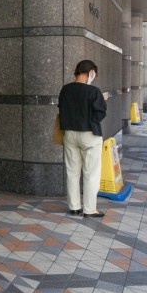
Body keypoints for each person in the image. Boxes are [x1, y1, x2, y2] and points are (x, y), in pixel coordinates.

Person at [58, 60, 110, 219]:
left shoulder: (65, 89)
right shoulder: (94, 91)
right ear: (91, 73)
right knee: (91, 173)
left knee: (72, 172)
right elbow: (100, 113)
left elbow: (61, 108)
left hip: (69, 134)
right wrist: (101, 100)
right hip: (89, 135)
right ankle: (89, 209)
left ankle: (74, 207)